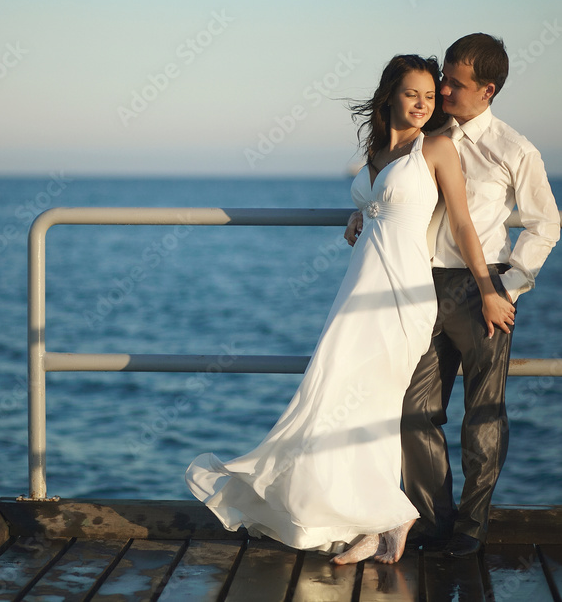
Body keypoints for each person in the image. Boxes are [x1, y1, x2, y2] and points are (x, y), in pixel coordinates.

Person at [186, 54, 515, 565]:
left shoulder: (438, 147)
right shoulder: (380, 149)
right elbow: (384, 198)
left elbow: (465, 226)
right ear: (391, 96)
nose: (424, 104)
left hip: (401, 296)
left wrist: (489, 288)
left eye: (431, 96)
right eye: (413, 94)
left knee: (374, 403)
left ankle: (391, 514)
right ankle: (375, 517)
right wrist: (360, 211)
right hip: (357, 289)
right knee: (340, 395)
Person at [345, 34, 560, 558]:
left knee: (483, 411)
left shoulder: (515, 149)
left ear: (487, 90)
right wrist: (363, 211)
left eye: (454, 84)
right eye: (442, 80)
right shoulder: (428, 134)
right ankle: (431, 522)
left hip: (482, 286)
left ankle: (470, 528)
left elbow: (545, 225)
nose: (441, 90)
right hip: (419, 284)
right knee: (416, 410)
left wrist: (504, 288)